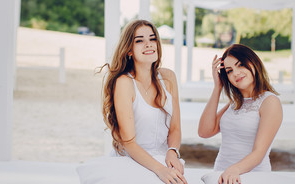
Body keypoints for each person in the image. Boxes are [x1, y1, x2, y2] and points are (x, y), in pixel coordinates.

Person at [82, 19, 187, 184]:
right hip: (132, 160)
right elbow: (129, 143)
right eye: (140, 40)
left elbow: (175, 128)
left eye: (152, 39)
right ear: (129, 50)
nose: (148, 44)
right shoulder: (124, 83)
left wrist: (172, 151)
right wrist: (161, 171)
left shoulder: (168, 78)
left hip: (163, 158)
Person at [198, 44, 283, 184]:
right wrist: (218, 87)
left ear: (254, 63)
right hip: (221, 175)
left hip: (251, 176)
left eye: (240, 65)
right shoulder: (235, 103)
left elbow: (259, 152)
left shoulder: (270, 102)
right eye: (229, 71)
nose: (236, 73)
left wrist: (234, 170)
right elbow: (204, 131)